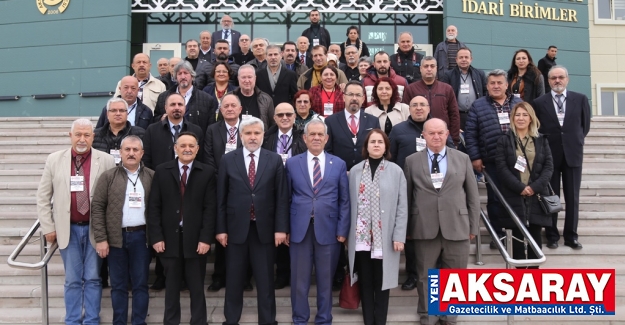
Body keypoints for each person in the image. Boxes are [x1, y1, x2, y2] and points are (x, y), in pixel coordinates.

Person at [37, 118, 116, 325]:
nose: (82, 139)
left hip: (95, 230)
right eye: (78, 134)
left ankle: (91, 319)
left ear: (93, 137)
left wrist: (106, 232)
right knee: (72, 279)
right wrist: (48, 227)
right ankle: (72, 320)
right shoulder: (54, 160)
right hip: (67, 230)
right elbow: (43, 196)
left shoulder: (106, 160)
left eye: (87, 135)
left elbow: (112, 198)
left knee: (92, 277)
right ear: (70, 135)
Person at [403, 118, 480, 325]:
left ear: (447, 134)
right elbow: (407, 198)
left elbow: (473, 196)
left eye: (440, 133)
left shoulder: (463, 159)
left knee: (454, 277)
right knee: (425, 277)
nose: (436, 137)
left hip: (457, 226)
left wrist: (473, 226)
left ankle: (449, 316)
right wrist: (407, 228)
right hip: (423, 227)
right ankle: (428, 316)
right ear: (424, 136)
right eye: (431, 133)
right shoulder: (411, 161)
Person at [216, 117, 289, 325]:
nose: (253, 137)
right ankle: (231, 320)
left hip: (264, 230)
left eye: (257, 133)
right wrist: (221, 229)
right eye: (248, 133)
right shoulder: (228, 160)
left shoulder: (274, 159)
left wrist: (281, 229)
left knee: (265, 281)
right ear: (241, 136)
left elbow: (281, 197)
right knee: (234, 280)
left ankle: (268, 321)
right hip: (235, 229)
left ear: (263, 135)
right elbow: (220, 198)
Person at [285, 118, 350, 325]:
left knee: (325, 280)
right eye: (311, 134)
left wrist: (342, 229)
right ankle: (300, 319)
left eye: (320, 134)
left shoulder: (338, 164)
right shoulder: (292, 163)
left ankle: (324, 319)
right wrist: (284, 229)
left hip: (329, 231)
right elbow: (285, 198)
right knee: (299, 281)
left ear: (326, 138)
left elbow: (344, 200)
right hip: (299, 230)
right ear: (304, 138)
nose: (316, 138)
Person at [148, 131, 216, 325]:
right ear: (175, 148)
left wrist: (205, 239)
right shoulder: (161, 170)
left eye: (191, 146)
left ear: (197, 149)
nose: (187, 149)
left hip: (196, 240)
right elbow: (154, 206)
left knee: (196, 287)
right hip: (169, 240)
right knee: (171, 288)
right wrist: (156, 237)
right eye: (183, 145)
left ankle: (199, 321)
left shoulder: (207, 172)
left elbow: (210, 209)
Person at [91, 135, 154, 325]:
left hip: (142, 238)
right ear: (121, 152)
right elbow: (98, 207)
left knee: (140, 284)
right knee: (118, 286)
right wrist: (101, 239)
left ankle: (138, 322)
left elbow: (159, 209)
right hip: (116, 238)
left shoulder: (152, 176)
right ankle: (119, 321)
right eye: (127, 149)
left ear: (142, 153)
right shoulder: (108, 177)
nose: (131, 153)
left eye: (135, 150)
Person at [347, 129, 407, 325]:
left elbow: (402, 206)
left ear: (386, 147)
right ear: (366, 146)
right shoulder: (355, 171)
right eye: (372, 141)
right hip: (361, 238)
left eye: (380, 142)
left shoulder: (396, 171)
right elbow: (348, 204)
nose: (376, 145)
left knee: (383, 283)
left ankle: (380, 321)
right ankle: (368, 320)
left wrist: (399, 236)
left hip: (386, 237)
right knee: (365, 281)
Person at [464, 69, 523, 249]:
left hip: (518, 160)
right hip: (492, 160)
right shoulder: (478, 105)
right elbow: (471, 134)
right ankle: (497, 235)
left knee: (518, 196)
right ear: (487, 86)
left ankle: (518, 233)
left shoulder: (519, 103)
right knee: (495, 199)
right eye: (492, 83)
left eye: (499, 83)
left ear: (507, 85)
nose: (496, 86)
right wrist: (475, 157)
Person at [533, 65, 590, 250]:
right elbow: (537, 129)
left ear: (567, 79)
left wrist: (576, 141)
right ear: (548, 81)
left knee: (573, 197)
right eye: (553, 78)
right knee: (551, 196)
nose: (557, 81)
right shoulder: (539, 102)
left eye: (560, 77)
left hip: (573, 154)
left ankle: (571, 236)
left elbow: (585, 126)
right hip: (550, 156)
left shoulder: (580, 99)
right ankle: (551, 235)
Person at [495, 102, 554, 267]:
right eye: (517, 115)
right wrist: (520, 188)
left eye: (524, 115)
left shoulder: (541, 140)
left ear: (531, 118)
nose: (521, 118)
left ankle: (534, 280)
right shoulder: (504, 140)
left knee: (535, 238)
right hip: (515, 194)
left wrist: (533, 187)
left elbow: (549, 167)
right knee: (517, 240)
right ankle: (521, 280)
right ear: (512, 118)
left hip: (536, 195)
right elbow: (501, 168)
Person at [261, 103, 307, 289]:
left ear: (295, 117)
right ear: (274, 118)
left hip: (297, 190)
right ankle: (281, 274)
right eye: (280, 114)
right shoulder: (267, 138)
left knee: (296, 233)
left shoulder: (302, 138)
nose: (285, 117)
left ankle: (297, 274)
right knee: (278, 232)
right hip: (272, 191)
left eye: (289, 114)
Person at [402, 56, 461, 146]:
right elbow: (405, 113)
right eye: (426, 66)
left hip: (441, 136)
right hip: (417, 136)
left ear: (436, 68)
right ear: (420, 69)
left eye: (432, 66)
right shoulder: (411, 89)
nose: (429, 69)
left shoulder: (447, 89)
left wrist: (454, 139)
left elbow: (454, 115)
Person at [325, 81, 381, 171]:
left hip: (366, 174)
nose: (354, 98)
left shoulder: (373, 121)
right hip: (339, 173)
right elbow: (327, 151)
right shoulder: (330, 121)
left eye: (358, 95)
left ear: (363, 99)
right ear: (343, 97)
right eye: (350, 94)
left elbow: (377, 148)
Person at [153, 60, 218, 134]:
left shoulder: (207, 99)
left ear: (192, 75)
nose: (183, 77)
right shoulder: (163, 97)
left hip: (195, 143)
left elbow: (211, 128)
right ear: (175, 77)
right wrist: (161, 118)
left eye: (186, 73)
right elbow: (155, 119)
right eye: (179, 74)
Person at [142, 93, 204, 171]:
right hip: (159, 178)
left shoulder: (196, 131)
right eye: (173, 104)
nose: (177, 107)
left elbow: (200, 159)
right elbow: (146, 159)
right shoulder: (152, 130)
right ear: (166, 108)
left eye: (180, 104)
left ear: (185, 107)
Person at [440, 47, 487, 131]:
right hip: (457, 116)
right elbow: (444, 97)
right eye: (461, 57)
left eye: (466, 57)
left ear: (471, 59)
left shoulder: (480, 74)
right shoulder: (448, 75)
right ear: (456, 59)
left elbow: (486, 92)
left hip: (476, 114)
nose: (463, 60)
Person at [93, 98, 146, 164]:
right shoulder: (95, 135)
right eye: (113, 110)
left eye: (121, 110)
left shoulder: (140, 134)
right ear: (107, 114)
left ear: (127, 113)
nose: (118, 113)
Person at [232, 64, 275, 130]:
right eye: (243, 77)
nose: (247, 81)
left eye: (249, 77)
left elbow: (272, 125)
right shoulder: (230, 98)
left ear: (255, 78)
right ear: (238, 78)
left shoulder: (266, 99)